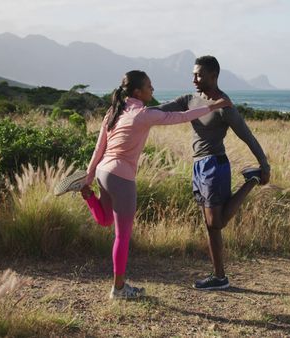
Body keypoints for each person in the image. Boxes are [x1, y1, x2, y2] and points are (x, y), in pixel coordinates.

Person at [55, 70, 232, 299]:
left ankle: (88, 195)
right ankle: (119, 289)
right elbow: (182, 116)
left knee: (106, 219)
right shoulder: (143, 114)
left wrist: (89, 176)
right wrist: (213, 106)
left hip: (103, 172)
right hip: (121, 177)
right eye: (149, 86)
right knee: (122, 236)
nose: (153, 89)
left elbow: (99, 147)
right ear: (138, 91)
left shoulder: (113, 112)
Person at [155, 55, 270, 290]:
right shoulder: (189, 99)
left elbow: (247, 135)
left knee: (215, 223)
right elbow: (159, 110)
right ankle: (219, 277)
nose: (194, 79)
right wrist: (131, 111)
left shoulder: (224, 105)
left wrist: (264, 164)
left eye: (199, 74)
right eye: (193, 74)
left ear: (213, 76)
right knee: (210, 226)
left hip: (215, 166)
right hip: (198, 166)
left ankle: (253, 180)